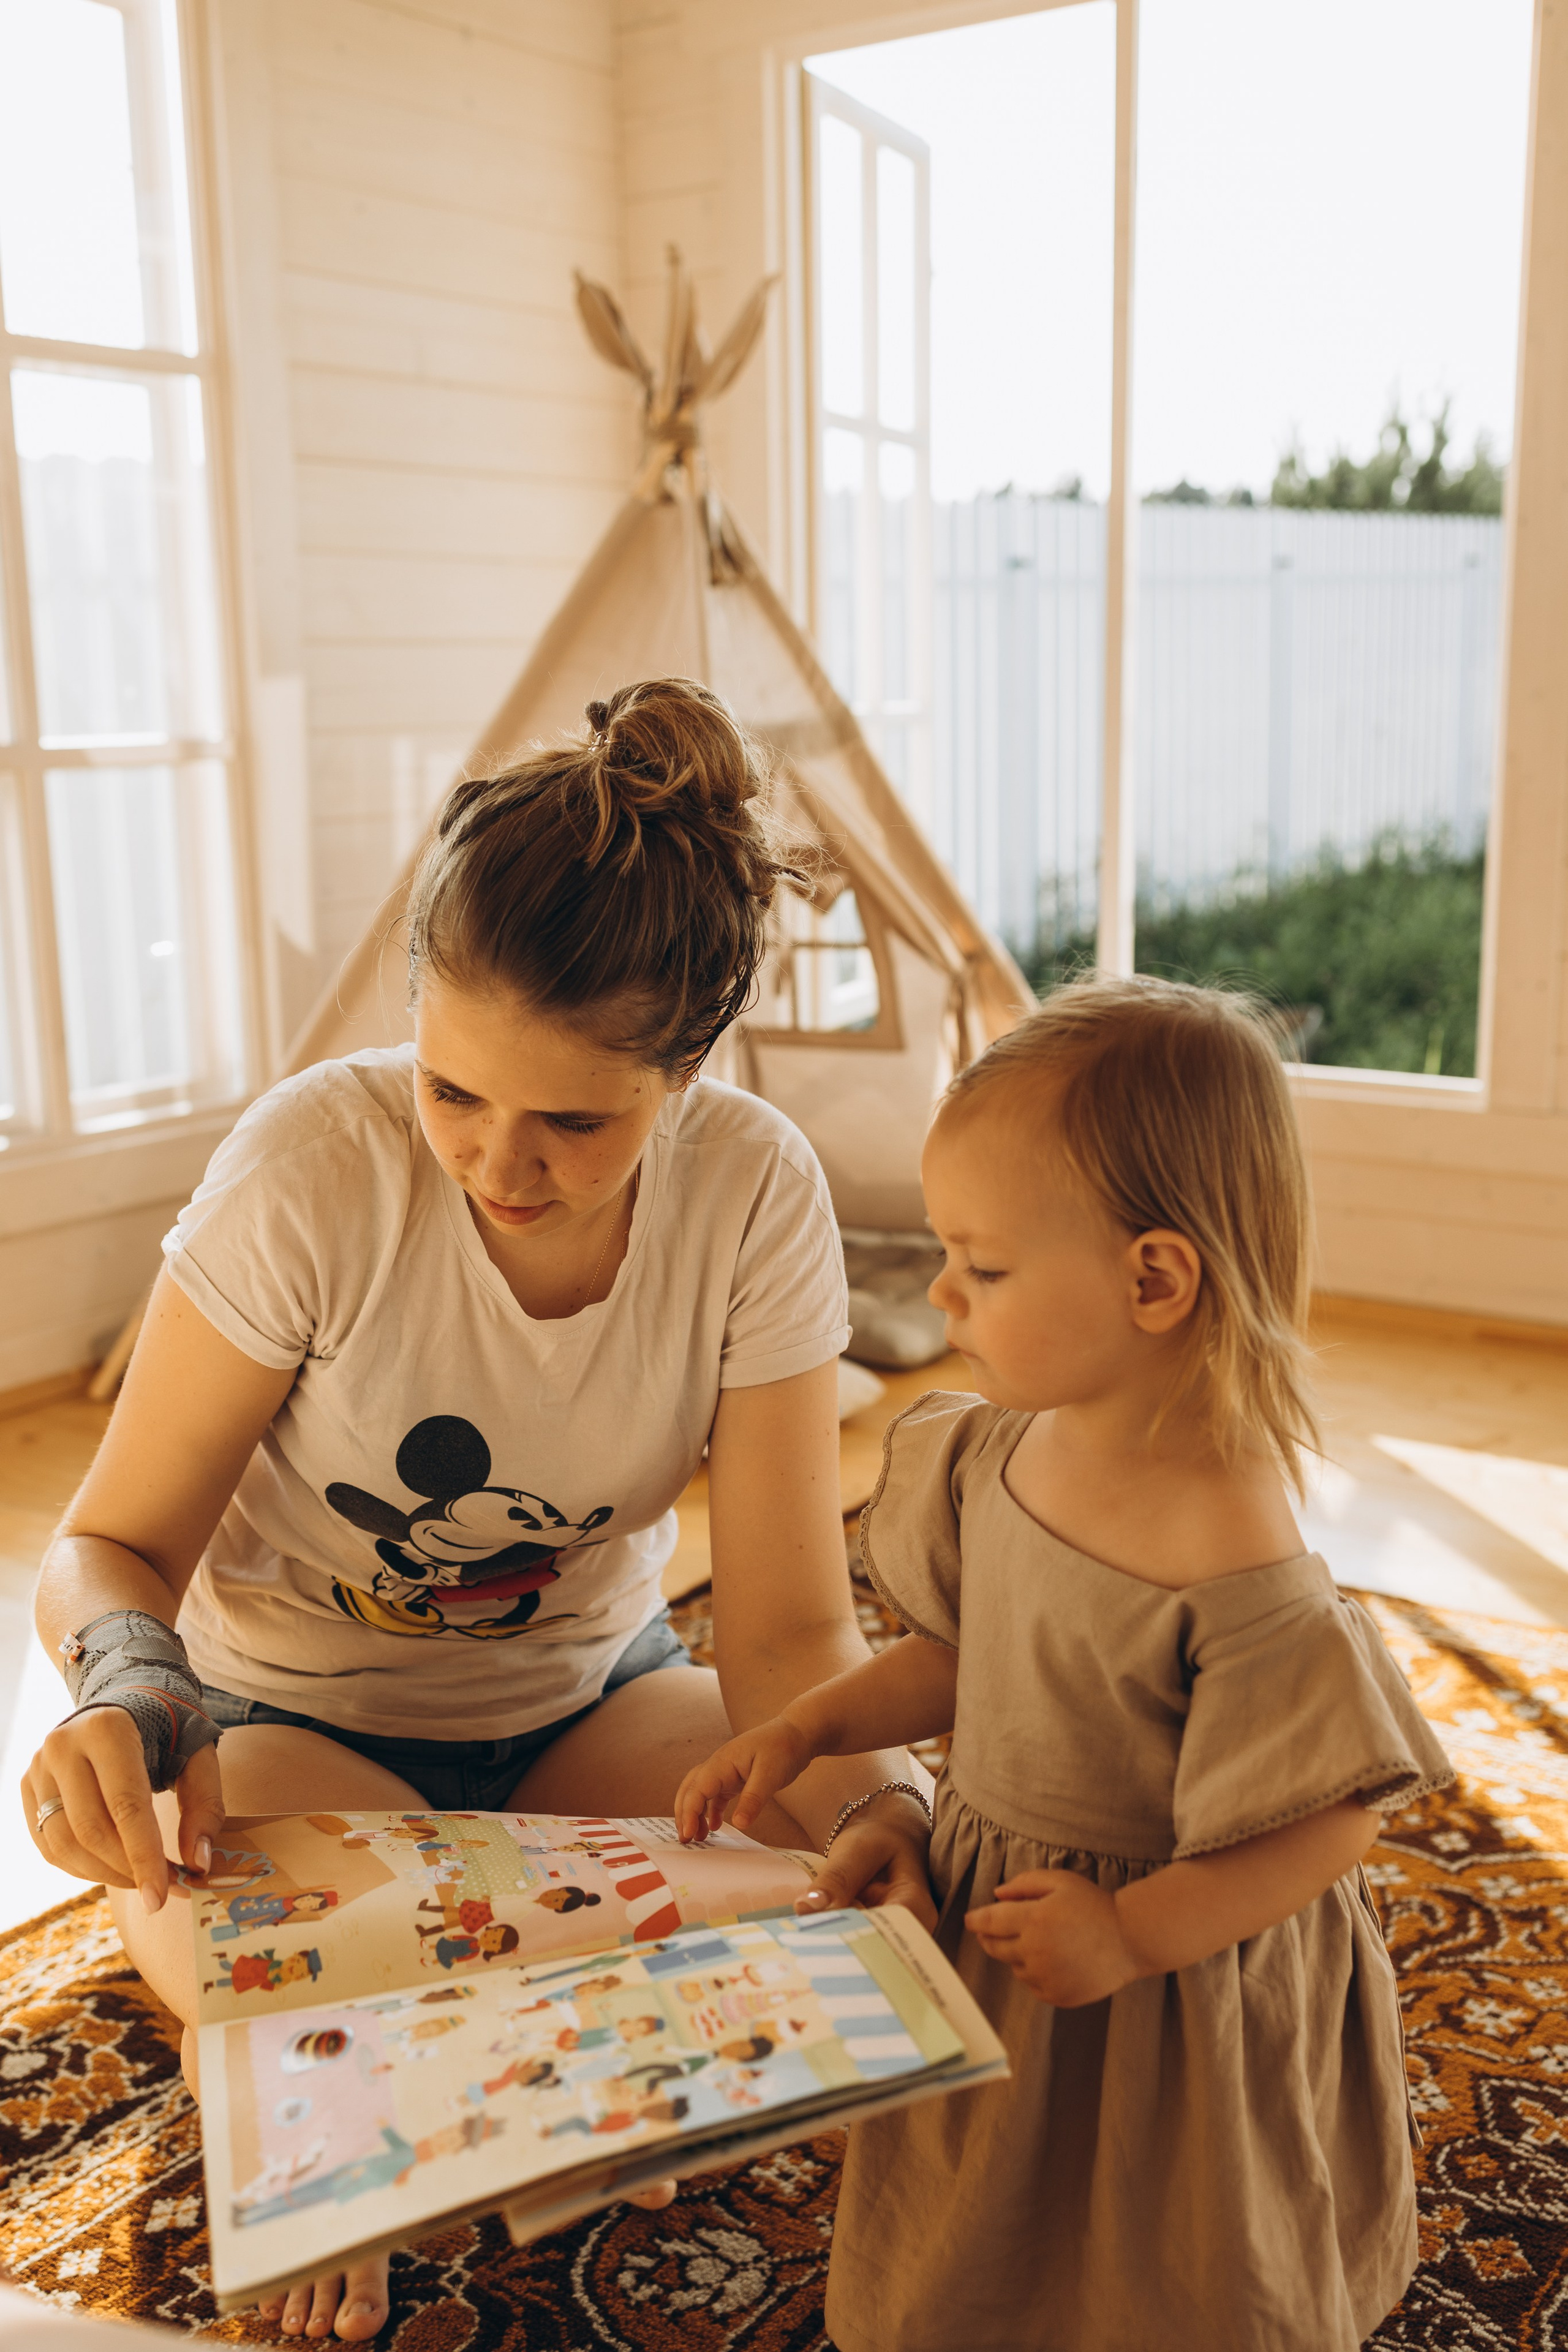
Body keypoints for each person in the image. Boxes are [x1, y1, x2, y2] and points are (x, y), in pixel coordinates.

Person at [21, 678, 934, 2345]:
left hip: (593, 1703)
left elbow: (797, 1633)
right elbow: (108, 1545)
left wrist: (906, 1828)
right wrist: (132, 1685)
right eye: (453, 1092)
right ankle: (363, 2099)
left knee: (871, 1872)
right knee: (236, 1893)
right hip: (286, 1723)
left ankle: (491, 2034)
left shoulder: (755, 1190)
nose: (497, 1165)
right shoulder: (312, 1169)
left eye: (574, 1123)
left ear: (687, 1066)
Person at [675, 973, 1455, 2352]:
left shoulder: (1231, 1558)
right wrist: (805, 1729)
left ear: (1152, 1279)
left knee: (1158, 2246)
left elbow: (1326, 1827)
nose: (939, 1295)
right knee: (991, 2212)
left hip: (1162, 1971)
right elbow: (966, 1658)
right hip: (1009, 1905)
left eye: (981, 1267)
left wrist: (1130, 1932)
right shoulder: (999, 1450)